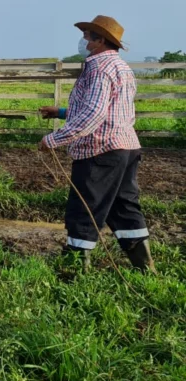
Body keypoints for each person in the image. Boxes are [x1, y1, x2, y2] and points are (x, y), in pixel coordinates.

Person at [37, 15, 155, 272]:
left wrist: (53, 139)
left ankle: (74, 272)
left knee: (84, 209)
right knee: (124, 207)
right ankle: (145, 269)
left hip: (99, 151)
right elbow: (108, 110)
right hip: (125, 147)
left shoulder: (99, 69)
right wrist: (59, 113)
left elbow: (93, 115)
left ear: (100, 40)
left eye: (87, 36)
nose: (83, 41)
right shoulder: (121, 67)